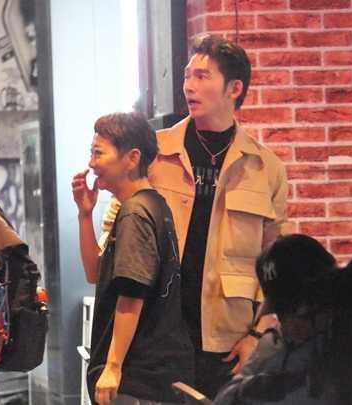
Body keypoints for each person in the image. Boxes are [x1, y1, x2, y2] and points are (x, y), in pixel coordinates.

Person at [98, 34, 290, 397]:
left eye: (202, 76)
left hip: (227, 347)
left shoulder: (265, 168)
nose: (189, 86)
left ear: (235, 88)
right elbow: (112, 241)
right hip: (155, 341)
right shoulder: (152, 153)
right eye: (187, 76)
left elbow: (277, 264)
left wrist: (259, 333)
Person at [72, 112, 193, 404]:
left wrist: (113, 367)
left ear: (132, 158)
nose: (91, 163)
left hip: (138, 379)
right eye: (91, 153)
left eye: (99, 153)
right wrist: (85, 215)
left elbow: (132, 294)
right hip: (148, 377)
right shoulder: (150, 204)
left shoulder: (135, 213)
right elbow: (95, 273)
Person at [213, 234, 336, 405]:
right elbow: (225, 398)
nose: (288, 326)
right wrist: (248, 388)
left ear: (323, 295)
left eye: (295, 311)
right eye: (280, 312)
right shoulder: (275, 341)